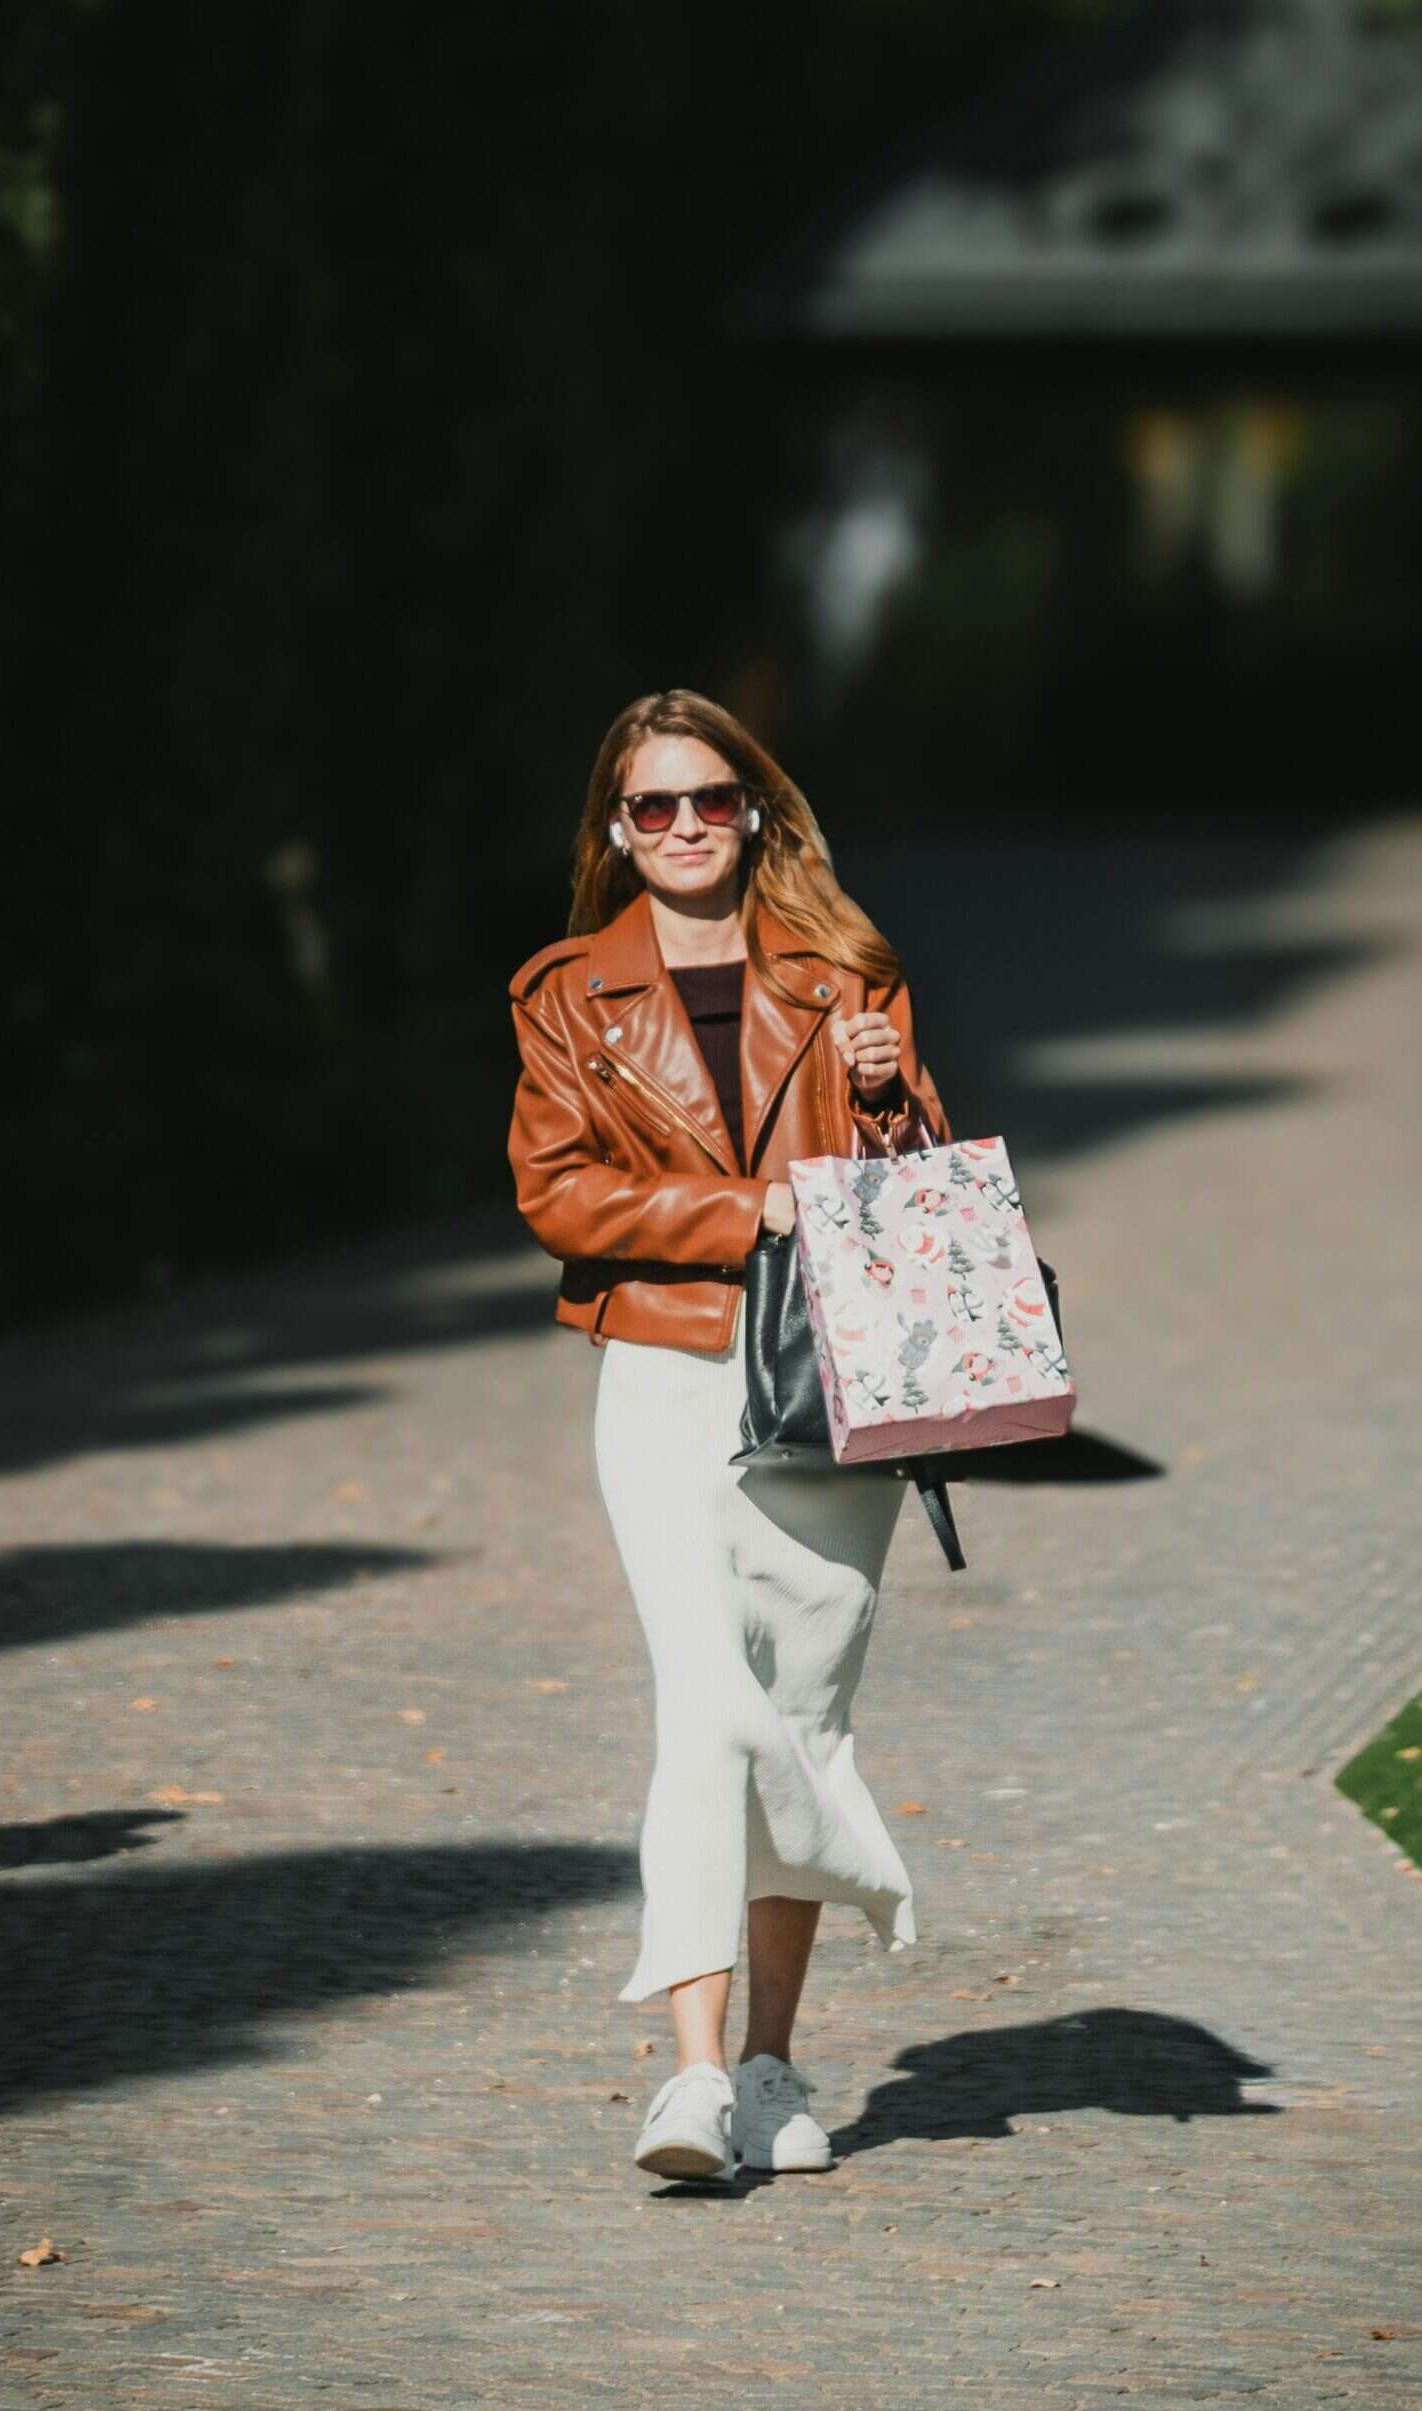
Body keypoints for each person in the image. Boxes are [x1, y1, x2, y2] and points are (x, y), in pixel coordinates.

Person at [505, 687, 951, 2183]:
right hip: (669, 1376)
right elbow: (557, 1195)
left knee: (806, 1723)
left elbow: (923, 1203)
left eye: (711, 800)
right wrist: (736, 1210)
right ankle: (690, 2083)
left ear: (753, 810)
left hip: (830, 1386)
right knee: (710, 1708)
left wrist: (887, 1103)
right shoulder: (569, 993)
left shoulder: (840, 973)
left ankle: (768, 2068)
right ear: (615, 830)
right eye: (653, 807)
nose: (685, 827)